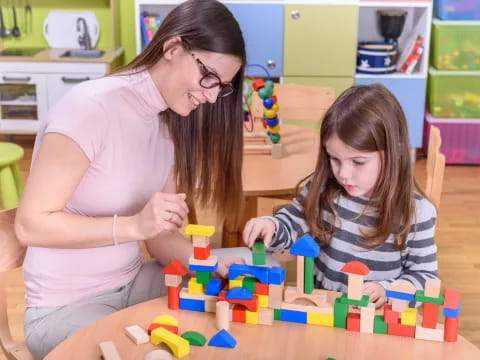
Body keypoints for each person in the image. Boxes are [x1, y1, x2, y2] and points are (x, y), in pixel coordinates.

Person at [14, 0, 246, 358]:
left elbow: (160, 237)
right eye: (209, 77)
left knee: (248, 272)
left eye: (223, 86)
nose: (214, 96)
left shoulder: (168, 122)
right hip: (64, 309)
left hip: (134, 285)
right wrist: (134, 225)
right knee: (158, 353)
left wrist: (213, 265)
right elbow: (30, 226)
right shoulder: (89, 109)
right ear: (172, 48)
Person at [243, 83, 438, 308]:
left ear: (393, 151)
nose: (344, 174)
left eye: (358, 162)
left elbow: (425, 278)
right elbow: (292, 222)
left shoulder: (416, 213)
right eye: (334, 159)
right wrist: (272, 226)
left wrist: (387, 290)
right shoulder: (324, 188)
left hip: (374, 322)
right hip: (322, 311)